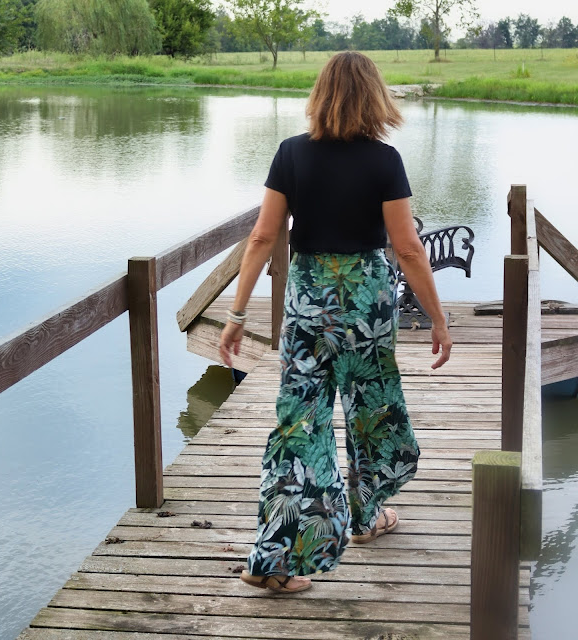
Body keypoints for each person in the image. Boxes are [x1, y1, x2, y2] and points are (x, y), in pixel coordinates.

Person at [219, 51, 452, 595]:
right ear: (375, 97)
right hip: (366, 306)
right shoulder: (385, 161)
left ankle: (274, 559)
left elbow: (262, 237)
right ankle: (366, 516)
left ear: (320, 95)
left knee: (300, 423)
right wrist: (438, 320)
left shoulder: (291, 154)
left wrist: (236, 314)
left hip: (308, 307)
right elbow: (408, 249)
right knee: (371, 410)